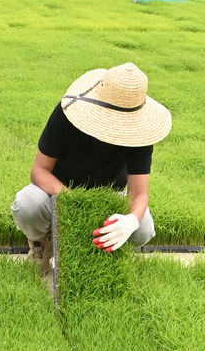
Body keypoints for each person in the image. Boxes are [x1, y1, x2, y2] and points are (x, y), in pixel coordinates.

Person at [11, 62, 171, 272]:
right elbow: (39, 171)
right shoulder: (68, 113)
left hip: (110, 194)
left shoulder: (140, 134)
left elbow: (139, 193)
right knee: (28, 205)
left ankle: (111, 256)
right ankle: (42, 244)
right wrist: (73, 201)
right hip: (58, 189)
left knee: (143, 228)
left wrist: (130, 221)